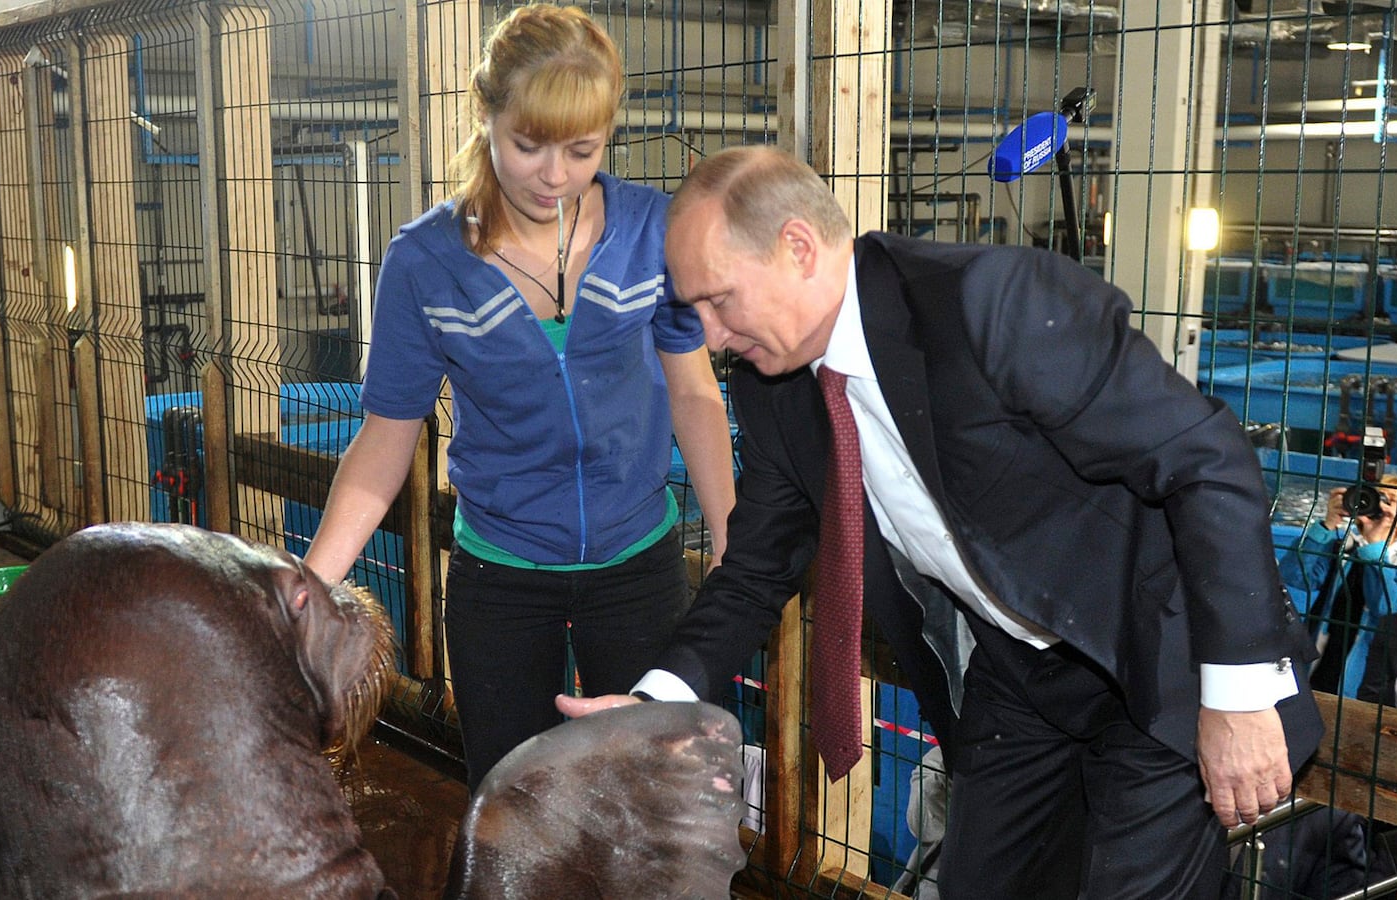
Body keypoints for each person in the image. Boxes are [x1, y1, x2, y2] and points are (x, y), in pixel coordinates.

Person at [557, 145, 1324, 898]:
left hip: (1163, 654)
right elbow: (755, 569)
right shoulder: (774, 392)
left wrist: (1240, 694)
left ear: (797, 248)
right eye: (692, 309)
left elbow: (1205, 460)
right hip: (1017, 673)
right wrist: (654, 704)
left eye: (719, 300)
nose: (711, 335)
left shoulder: (990, 303)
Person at [303, 3, 735, 791]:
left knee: (653, 797)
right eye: (528, 145)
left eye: (582, 149)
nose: (555, 175)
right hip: (500, 571)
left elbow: (694, 392)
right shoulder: (425, 262)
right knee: (509, 800)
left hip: (637, 562)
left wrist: (730, 532)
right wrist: (312, 585)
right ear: (487, 117)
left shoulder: (652, 233)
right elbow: (388, 435)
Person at [1278, 474, 1397, 703]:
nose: (1380, 505)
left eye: (1390, 500)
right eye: (1376, 497)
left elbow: (1387, 607)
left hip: (1366, 684)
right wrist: (1327, 525)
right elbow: (1295, 577)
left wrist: (1375, 547)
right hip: (1317, 669)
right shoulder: (1345, 550)